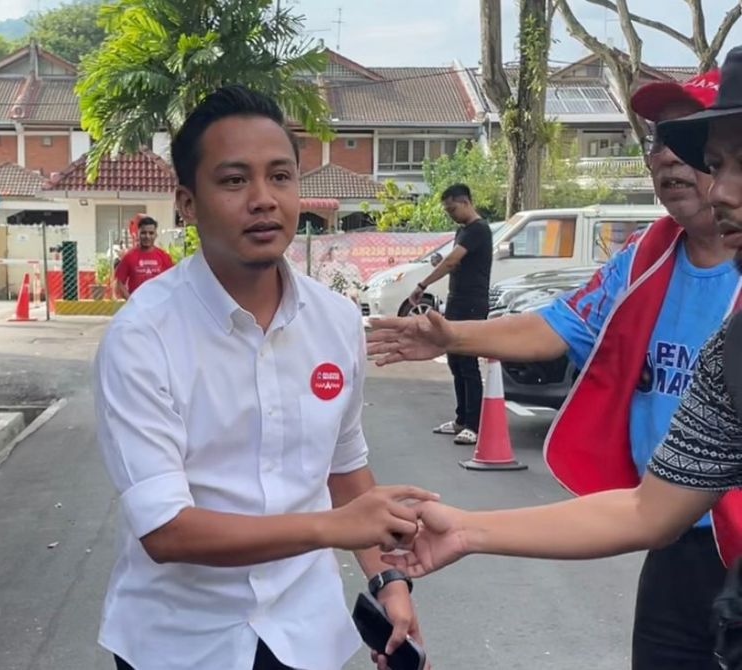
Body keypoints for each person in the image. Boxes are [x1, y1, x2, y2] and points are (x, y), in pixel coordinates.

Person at [377, 48, 742, 670]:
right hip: (690, 528)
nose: (677, 164)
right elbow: (648, 510)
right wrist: (467, 529)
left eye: (719, 157)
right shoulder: (676, 294)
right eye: (712, 159)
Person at [93, 85, 435, 670]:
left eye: (280, 176)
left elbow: (344, 469)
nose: (263, 199)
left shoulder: (333, 321)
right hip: (179, 643)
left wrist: (388, 583)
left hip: (307, 634)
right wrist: (332, 527)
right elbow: (167, 531)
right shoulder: (141, 337)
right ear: (188, 202)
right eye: (233, 180)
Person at [409, 184, 492, 446]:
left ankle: (474, 424)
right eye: (447, 210)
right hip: (456, 300)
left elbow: (453, 261)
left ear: (466, 202)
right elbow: (454, 261)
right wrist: (441, 263)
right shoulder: (463, 231)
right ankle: (460, 419)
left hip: (472, 303)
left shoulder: (478, 229)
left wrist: (423, 284)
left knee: (467, 363)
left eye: (453, 208)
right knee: (455, 362)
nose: (451, 214)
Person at [112, 216, 174, 299]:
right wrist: (132, 302)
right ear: (138, 234)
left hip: (158, 307)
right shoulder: (129, 257)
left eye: (151, 233)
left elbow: (172, 282)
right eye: (143, 233)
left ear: (156, 235)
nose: (147, 236)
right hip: (137, 309)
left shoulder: (164, 257)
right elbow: (119, 283)